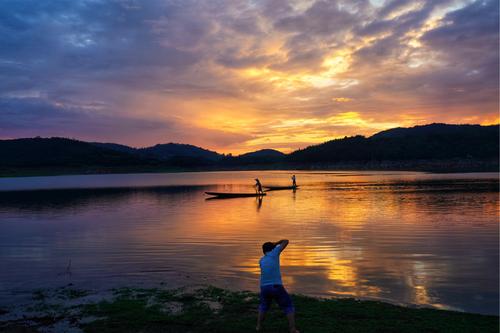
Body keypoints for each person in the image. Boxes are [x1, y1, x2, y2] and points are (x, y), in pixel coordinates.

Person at [257, 239, 299, 333]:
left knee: (263, 306)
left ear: (263, 251)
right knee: (288, 306)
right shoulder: (274, 253)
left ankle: (258, 326)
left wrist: (272, 246)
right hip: (276, 286)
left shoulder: (261, 260)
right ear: (272, 249)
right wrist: (275, 244)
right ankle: (292, 329)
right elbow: (286, 241)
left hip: (264, 287)